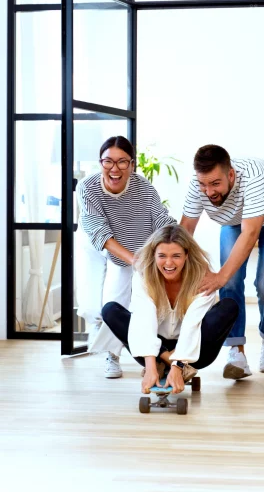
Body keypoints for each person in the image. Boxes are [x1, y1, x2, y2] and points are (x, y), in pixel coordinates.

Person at [181, 145, 264, 379]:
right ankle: (236, 351)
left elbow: (250, 233)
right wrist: (190, 268)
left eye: (215, 184)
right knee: (230, 283)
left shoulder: (254, 178)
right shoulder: (199, 184)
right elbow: (185, 231)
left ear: (231, 175)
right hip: (234, 220)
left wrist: (219, 277)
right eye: (204, 184)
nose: (208, 191)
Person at [76, 135, 176, 378]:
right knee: (91, 308)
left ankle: (112, 354)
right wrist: (134, 260)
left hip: (131, 246)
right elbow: (100, 232)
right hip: (95, 241)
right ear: (100, 163)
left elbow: (162, 219)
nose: (115, 169)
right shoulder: (87, 187)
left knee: (115, 300)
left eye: (122, 162)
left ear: (132, 165)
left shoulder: (144, 189)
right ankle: (100, 327)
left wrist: (177, 242)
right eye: (108, 161)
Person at [101, 225, 239, 394]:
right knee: (110, 310)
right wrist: (150, 366)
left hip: (194, 352)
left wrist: (178, 365)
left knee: (229, 306)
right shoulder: (143, 275)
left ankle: (172, 363)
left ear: (186, 256)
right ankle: (162, 360)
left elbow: (192, 323)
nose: (168, 263)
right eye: (162, 256)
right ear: (153, 255)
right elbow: (144, 318)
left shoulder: (202, 277)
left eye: (176, 256)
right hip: (154, 348)